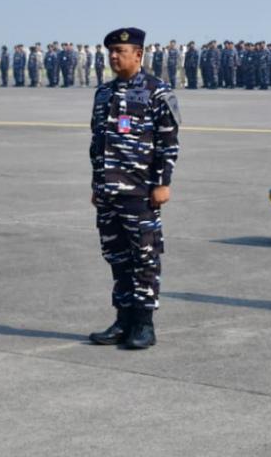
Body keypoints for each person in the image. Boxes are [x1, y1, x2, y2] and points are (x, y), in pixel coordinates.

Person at [88, 27, 180, 350]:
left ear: (138, 54)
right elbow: (97, 144)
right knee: (117, 257)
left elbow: (168, 141)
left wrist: (163, 183)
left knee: (144, 257)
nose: (114, 56)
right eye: (111, 51)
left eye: (121, 51)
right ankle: (123, 319)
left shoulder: (157, 92)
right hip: (108, 192)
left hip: (140, 191)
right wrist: (96, 184)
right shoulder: (103, 93)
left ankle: (144, 324)